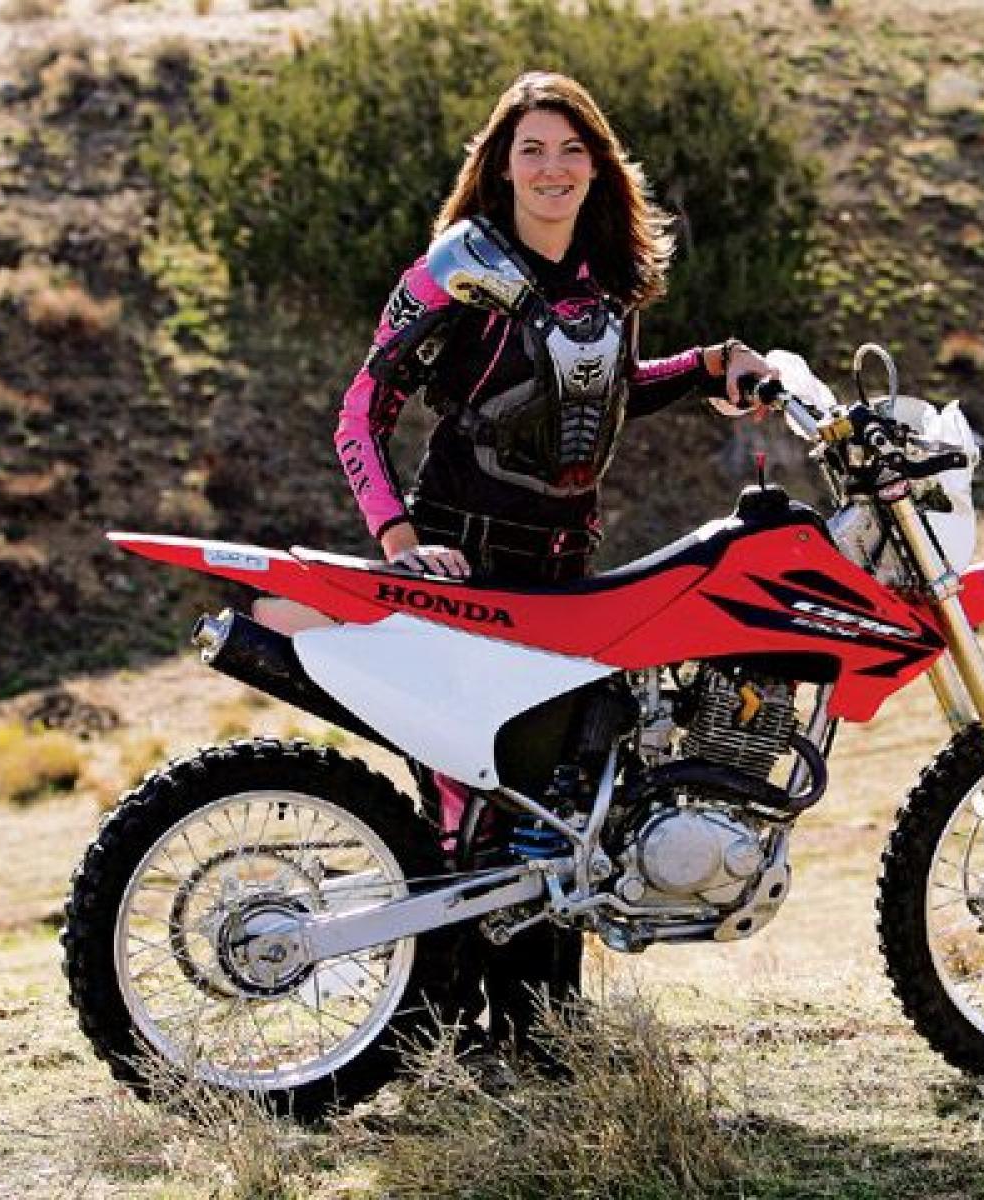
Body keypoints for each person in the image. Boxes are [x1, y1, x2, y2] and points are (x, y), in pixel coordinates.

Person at [332, 70, 776, 1058]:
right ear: (499, 165)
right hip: (464, 560)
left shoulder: (608, 275)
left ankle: (545, 1039)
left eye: (573, 150)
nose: (552, 168)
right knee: (472, 813)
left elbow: (601, 393)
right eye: (531, 149)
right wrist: (399, 542)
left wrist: (709, 365)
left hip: (566, 568)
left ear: (598, 166)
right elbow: (360, 411)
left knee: (568, 810)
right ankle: (442, 1042)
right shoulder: (455, 268)